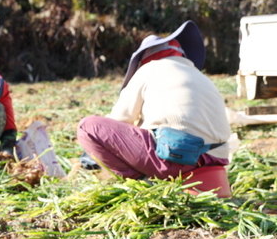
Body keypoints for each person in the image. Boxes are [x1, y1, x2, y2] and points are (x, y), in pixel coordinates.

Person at [76, 20, 231, 180]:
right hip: (215, 158)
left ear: (145, 58)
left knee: (87, 127)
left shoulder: (150, 68)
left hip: (178, 156)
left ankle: (141, 182)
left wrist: (91, 152)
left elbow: (122, 119)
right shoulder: (202, 77)